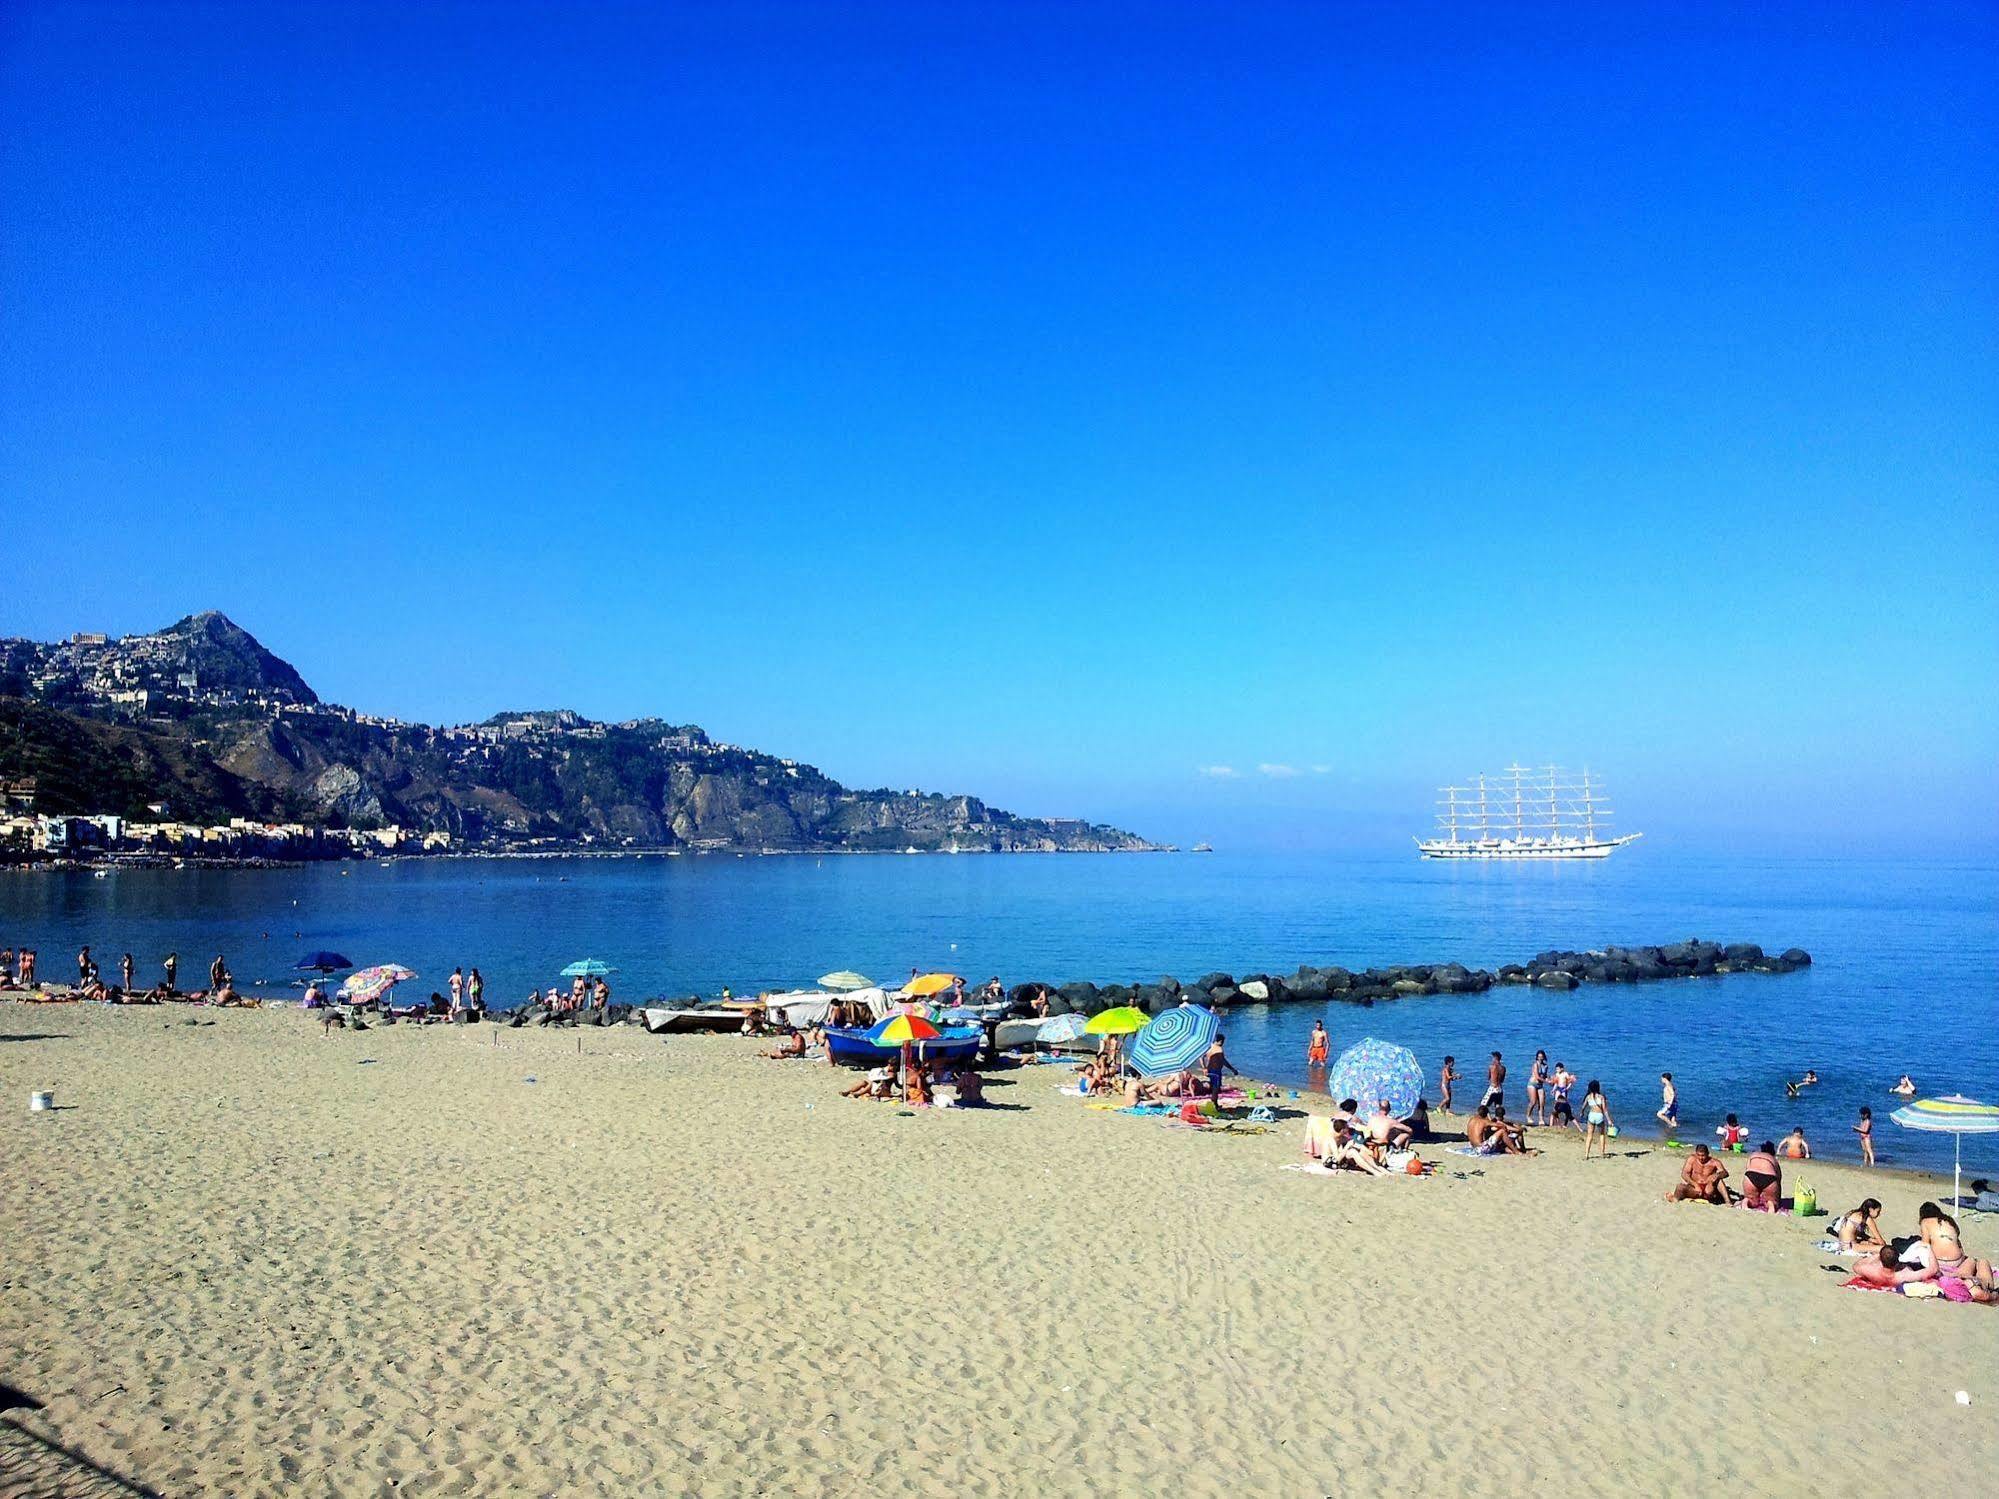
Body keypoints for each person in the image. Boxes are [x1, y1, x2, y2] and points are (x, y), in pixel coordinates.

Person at [1321, 1117, 1391, 1176]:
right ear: (1342, 1130)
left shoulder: (1341, 1137)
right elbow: (1337, 1159)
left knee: (1361, 1152)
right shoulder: (1331, 1139)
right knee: (1352, 1152)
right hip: (1329, 1162)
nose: (1348, 1129)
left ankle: (1382, 1170)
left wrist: (1367, 1149)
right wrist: (1347, 1146)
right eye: (1347, 1128)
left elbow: (1356, 1144)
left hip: (1337, 1160)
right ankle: (1374, 1172)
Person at [1665, 1144, 1730, 1204]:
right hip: (1695, 1189)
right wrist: (1695, 1184)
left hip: (1709, 1189)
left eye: (1703, 1155)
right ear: (1696, 1154)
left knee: (1719, 1181)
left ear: (1708, 1154)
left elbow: (1725, 1173)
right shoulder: (1692, 1159)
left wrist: (1717, 1175)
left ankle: (1728, 1202)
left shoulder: (1714, 1162)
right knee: (1680, 1187)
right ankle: (1675, 1199)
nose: (1701, 1158)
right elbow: (1684, 1174)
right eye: (1698, 1155)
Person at [1740, 1142, 1782, 1212]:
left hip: (1750, 1175)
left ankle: (1746, 1201)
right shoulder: (1773, 1159)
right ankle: (1771, 1204)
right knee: (1771, 1201)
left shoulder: (1753, 1155)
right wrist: (1777, 1198)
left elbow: (1747, 1169)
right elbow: (1779, 1178)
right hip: (1769, 1177)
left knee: (1752, 1200)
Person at [1581, 1080, 1613, 1160]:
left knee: (1589, 1135)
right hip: (1599, 1116)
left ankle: (1586, 1154)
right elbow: (1605, 1110)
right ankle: (1602, 1153)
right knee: (1602, 1134)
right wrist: (1609, 1120)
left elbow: (1583, 1106)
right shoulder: (1601, 1097)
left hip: (1591, 1115)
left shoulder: (1588, 1096)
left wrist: (1582, 1113)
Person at [1204, 1034, 1235, 1110]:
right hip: (1216, 1071)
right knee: (1216, 1088)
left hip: (1210, 1069)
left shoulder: (1209, 1047)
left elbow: (1201, 1057)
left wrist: (1204, 1068)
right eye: (1223, 1042)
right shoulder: (1219, 1049)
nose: (1223, 1044)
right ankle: (1214, 1105)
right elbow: (1223, 1061)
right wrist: (1232, 1069)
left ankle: (1215, 1104)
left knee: (1214, 1087)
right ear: (1220, 1041)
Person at [1528, 1050, 1549, 1125]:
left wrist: (1550, 1080)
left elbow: (1545, 1076)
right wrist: (1546, 1081)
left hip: (1540, 1085)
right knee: (1533, 1102)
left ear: (1544, 1057)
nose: (1540, 1058)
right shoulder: (1535, 1065)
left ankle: (1541, 1119)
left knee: (1542, 1102)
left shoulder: (1545, 1066)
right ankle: (1528, 1115)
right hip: (1532, 1084)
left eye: (1541, 1056)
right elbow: (1537, 1076)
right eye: (1539, 1056)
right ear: (1537, 1057)